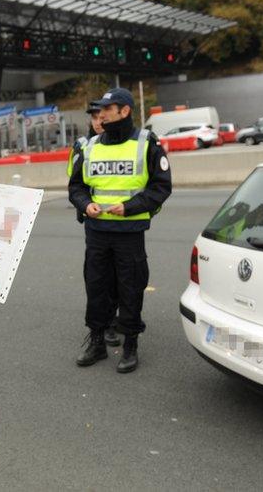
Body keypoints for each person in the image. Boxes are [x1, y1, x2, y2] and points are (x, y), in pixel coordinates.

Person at [68, 88, 172, 373]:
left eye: (107, 109)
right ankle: (98, 341)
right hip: (96, 230)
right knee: (97, 287)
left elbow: (161, 187)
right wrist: (85, 203)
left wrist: (130, 207)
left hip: (129, 232)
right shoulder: (90, 146)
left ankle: (130, 345)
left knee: (130, 288)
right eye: (99, 110)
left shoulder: (146, 143)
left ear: (124, 111)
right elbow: (76, 186)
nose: (100, 114)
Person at [67, 101, 106, 223]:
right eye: (94, 118)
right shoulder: (82, 145)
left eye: (101, 118)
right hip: (89, 208)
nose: (98, 123)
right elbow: (73, 176)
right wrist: (83, 204)